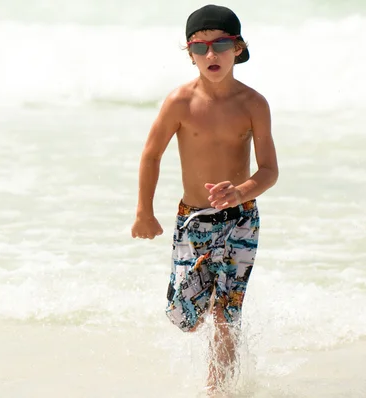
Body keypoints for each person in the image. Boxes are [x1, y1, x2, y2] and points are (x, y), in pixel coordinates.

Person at [130, 4, 279, 395]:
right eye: (200, 47)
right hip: (194, 220)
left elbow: (268, 171)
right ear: (190, 52)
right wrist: (144, 211)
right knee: (186, 317)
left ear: (239, 48)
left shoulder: (253, 104)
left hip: (241, 219)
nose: (211, 55)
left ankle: (220, 389)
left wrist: (239, 192)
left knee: (225, 312)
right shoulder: (180, 102)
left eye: (221, 44)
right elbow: (150, 155)